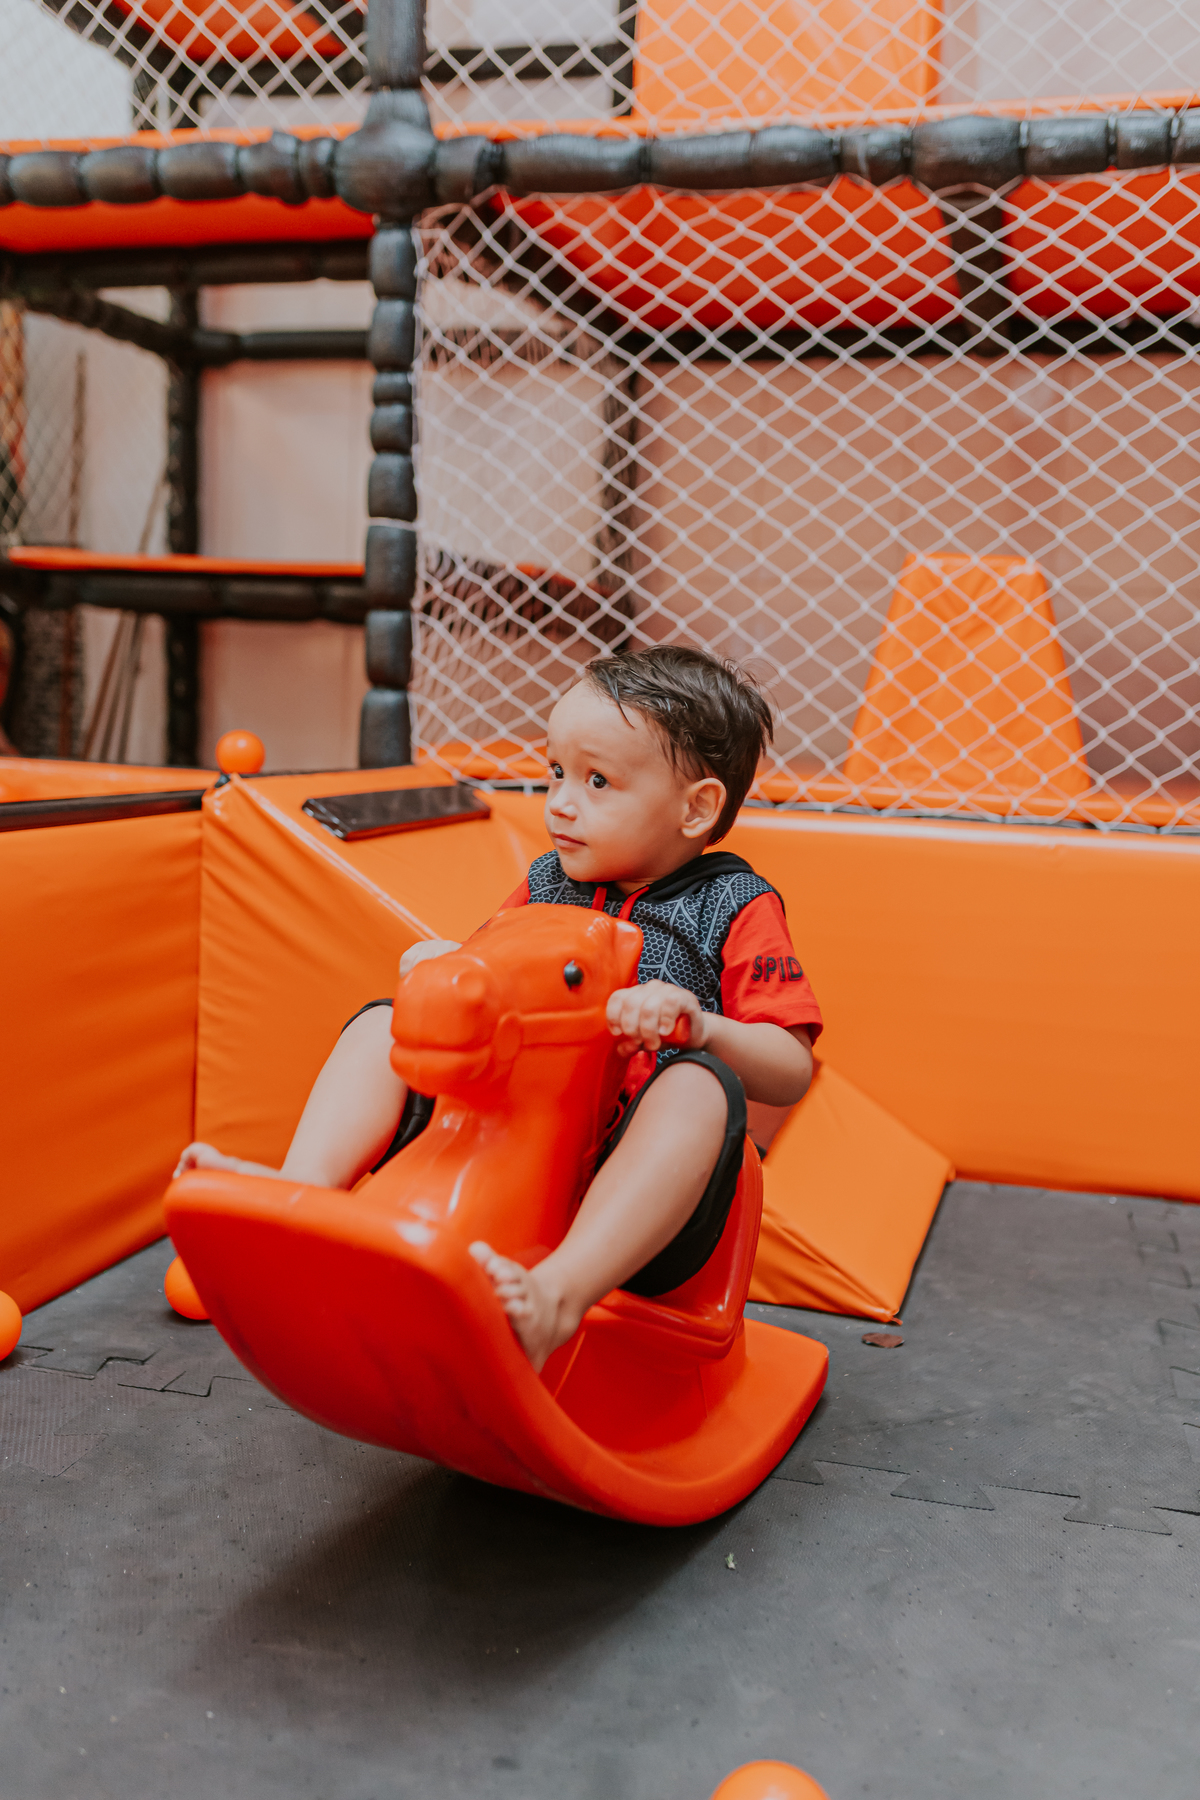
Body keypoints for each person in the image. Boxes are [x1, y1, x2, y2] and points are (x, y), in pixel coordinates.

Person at [175, 646, 823, 1371]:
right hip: (506, 1151)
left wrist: (699, 1027)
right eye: (556, 773)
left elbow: (792, 1069)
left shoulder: (735, 906)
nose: (561, 803)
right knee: (379, 1022)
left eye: (598, 781)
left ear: (696, 807)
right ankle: (300, 1197)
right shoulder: (549, 881)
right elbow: (486, 988)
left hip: (637, 1199)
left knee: (699, 1089)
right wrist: (443, 968)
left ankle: (558, 1294)